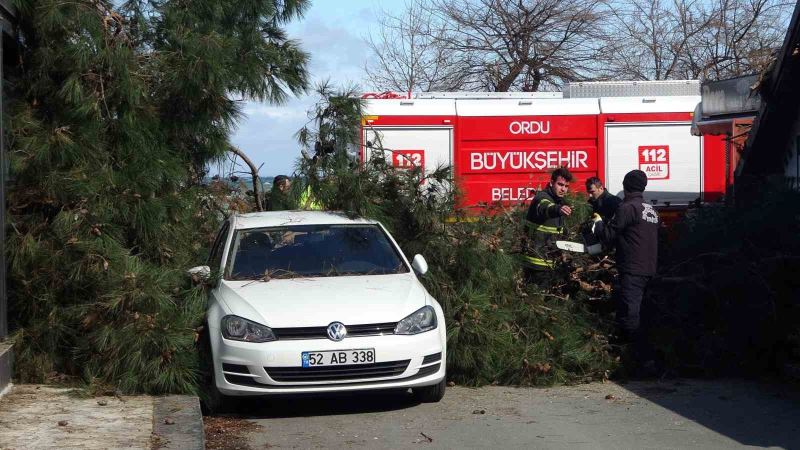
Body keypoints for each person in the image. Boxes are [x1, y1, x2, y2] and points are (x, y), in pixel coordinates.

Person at [592, 169, 659, 374]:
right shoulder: (651, 210)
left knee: (631, 317)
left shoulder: (627, 207)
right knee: (642, 316)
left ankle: (641, 363)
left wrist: (598, 224)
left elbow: (609, 236)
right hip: (650, 270)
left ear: (625, 186)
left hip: (632, 270)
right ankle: (631, 358)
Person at [523, 167, 574, 279]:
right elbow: (546, 207)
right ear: (551, 183)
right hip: (536, 263)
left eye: (566, 186)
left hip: (550, 261)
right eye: (560, 184)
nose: (563, 189)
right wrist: (558, 210)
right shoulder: (541, 197)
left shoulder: (560, 201)